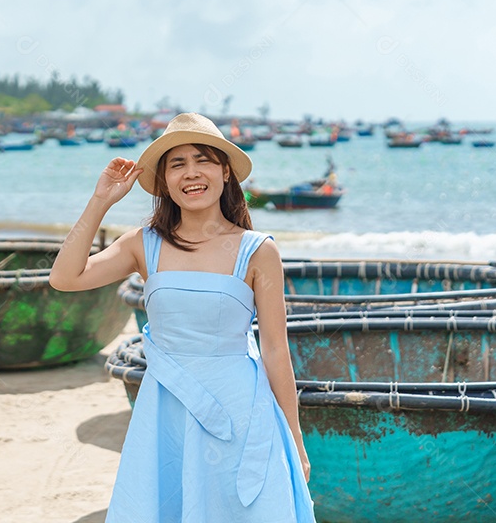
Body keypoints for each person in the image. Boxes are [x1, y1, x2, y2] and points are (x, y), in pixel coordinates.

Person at [50, 113, 315, 522]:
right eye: (177, 164)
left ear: (225, 172)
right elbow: (65, 278)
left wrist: (294, 436)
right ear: (165, 181)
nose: (191, 173)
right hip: (165, 407)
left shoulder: (257, 250)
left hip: (238, 406)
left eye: (203, 160)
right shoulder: (144, 245)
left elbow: (276, 349)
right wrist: (101, 199)